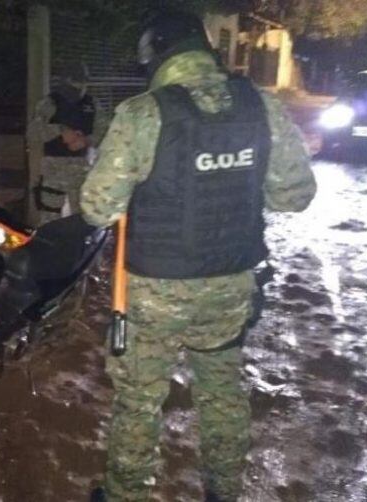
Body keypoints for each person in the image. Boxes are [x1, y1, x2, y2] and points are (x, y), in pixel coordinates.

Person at [81, 10, 316, 502]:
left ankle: (127, 494)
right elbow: (294, 196)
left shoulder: (142, 113)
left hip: (153, 293)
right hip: (230, 286)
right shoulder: (263, 108)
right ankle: (223, 491)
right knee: (222, 392)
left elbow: (98, 208)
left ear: (156, 58)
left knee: (140, 400)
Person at [28, 62, 109, 223]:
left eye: (83, 83)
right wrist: (61, 131)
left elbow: (106, 132)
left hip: (81, 168)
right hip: (53, 169)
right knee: (49, 220)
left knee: (83, 220)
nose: (80, 87)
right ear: (66, 81)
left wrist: (86, 141)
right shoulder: (49, 103)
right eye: (76, 82)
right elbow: (32, 132)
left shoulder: (92, 104)